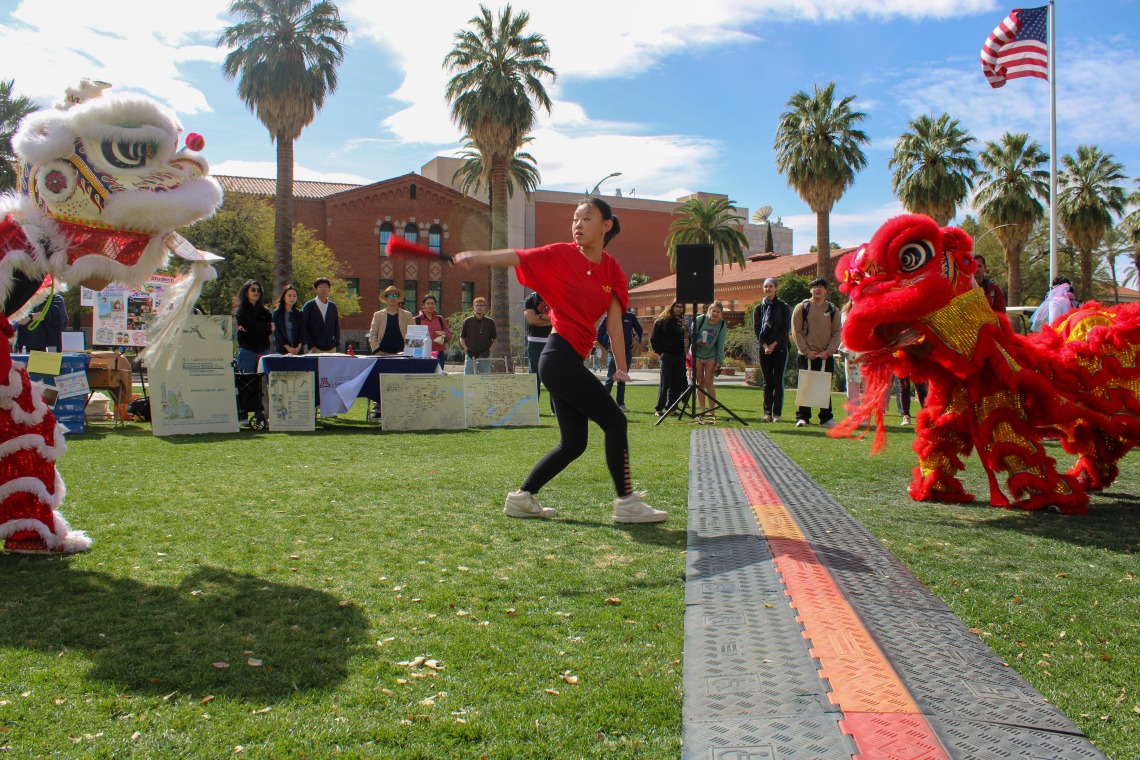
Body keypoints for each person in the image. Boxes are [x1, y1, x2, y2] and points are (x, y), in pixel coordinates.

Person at [453, 196, 667, 524]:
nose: (577, 224)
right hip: (557, 357)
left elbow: (614, 324)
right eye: (575, 218)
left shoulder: (612, 270)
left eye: (587, 218)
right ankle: (626, 502)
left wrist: (622, 367)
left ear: (606, 225)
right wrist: (477, 256)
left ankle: (522, 498)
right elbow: (516, 256)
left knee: (574, 443)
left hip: (569, 361)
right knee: (615, 422)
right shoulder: (560, 254)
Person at [791, 277, 842, 428]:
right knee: (806, 385)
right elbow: (796, 331)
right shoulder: (802, 307)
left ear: (826, 290)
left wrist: (829, 351)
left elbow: (837, 332)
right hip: (806, 355)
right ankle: (803, 417)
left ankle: (826, 418)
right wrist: (806, 351)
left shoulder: (833, 309)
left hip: (825, 355)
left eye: (820, 287)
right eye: (814, 287)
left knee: (824, 386)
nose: (817, 289)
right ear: (810, 290)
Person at [754, 278, 791, 422]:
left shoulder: (783, 307)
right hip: (764, 349)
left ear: (776, 288)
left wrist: (774, 345)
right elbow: (757, 329)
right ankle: (767, 412)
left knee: (778, 381)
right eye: (765, 287)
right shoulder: (759, 308)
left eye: (770, 286)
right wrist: (765, 346)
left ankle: (777, 414)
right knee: (767, 381)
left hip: (780, 348)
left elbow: (785, 329)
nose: (768, 289)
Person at [597, 306, 643, 412]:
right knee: (610, 379)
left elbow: (639, 330)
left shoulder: (630, 317)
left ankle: (620, 404)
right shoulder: (608, 317)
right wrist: (608, 347)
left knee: (622, 378)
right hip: (614, 353)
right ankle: (601, 403)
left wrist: (637, 339)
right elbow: (599, 335)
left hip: (626, 352)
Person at [650, 301, 688, 418]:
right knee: (665, 383)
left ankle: (671, 408)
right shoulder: (662, 321)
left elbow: (686, 339)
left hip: (679, 356)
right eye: (677, 306)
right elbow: (654, 339)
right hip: (667, 355)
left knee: (677, 383)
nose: (679, 309)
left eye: (681, 307)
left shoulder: (683, 322)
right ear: (672, 307)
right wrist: (660, 352)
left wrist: (688, 339)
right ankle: (659, 408)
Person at [692, 301, 728, 422]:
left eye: (718, 312)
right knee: (700, 382)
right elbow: (692, 337)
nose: (715, 313)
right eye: (713, 311)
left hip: (711, 355)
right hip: (698, 353)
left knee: (709, 381)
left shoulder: (722, 324)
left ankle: (711, 411)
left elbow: (720, 344)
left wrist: (719, 360)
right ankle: (702, 410)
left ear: (721, 313)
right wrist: (698, 342)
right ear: (709, 311)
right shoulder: (700, 320)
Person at [233, 279, 273, 374]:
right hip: (247, 351)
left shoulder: (265, 311)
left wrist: (258, 328)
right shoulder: (241, 310)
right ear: (246, 293)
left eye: (259, 290)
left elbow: (270, 330)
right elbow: (250, 327)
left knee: (265, 383)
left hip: (264, 350)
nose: (256, 292)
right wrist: (265, 326)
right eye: (253, 290)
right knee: (247, 382)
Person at [524, 289, 554, 409]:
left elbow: (562, 318)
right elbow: (531, 320)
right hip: (535, 342)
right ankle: (533, 408)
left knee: (554, 375)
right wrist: (552, 320)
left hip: (553, 341)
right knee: (534, 376)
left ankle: (555, 408)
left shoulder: (556, 296)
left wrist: (540, 316)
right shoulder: (531, 299)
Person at [367, 285, 414, 355]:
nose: (392, 298)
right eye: (389, 296)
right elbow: (373, 334)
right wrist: (377, 351)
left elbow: (413, 334)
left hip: (402, 355)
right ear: (386, 299)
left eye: (395, 296)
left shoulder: (408, 315)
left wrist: (409, 352)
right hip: (382, 354)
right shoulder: (378, 315)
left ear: (398, 298)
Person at [301, 277, 340, 353]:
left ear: (329, 289)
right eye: (320, 287)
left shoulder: (332, 306)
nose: (323, 289)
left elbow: (336, 326)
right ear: (315, 289)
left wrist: (336, 342)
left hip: (331, 348)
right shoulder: (309, 306)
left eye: (326, 287)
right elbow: (304, 327)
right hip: (314, 349)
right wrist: (311, 345)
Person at [460, 296, 496, 374]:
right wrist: (466, 348)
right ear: (473, 306)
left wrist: (490, 350)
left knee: (485, 379)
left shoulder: (490, 322)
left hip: (486, 354)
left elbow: (495, 339)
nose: (479, 307)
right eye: (477, 305)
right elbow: (462, 338)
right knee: (468, 378)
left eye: (481, 305)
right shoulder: (467, 321)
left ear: (485, 307)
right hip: (470, 354)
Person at [415, 294, 452, 369]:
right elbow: (412, 339)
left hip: (439, 354)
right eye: (428, 303)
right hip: (422, 354)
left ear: (435, 305)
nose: (430, 305)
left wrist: (444, 335)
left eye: (432, 303)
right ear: (423, 306)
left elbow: (449, 336)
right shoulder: (416, 320)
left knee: (438, 378)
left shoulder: (440, 319)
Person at [272, 284, 303, 355]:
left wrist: (298, 347)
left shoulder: (300, 313)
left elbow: (303, 331)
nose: (292, 298)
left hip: (297, 351)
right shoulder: (277, 313)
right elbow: (277, 333)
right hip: (282, 350)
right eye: (289, 296)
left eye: (294, 296)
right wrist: (288, 347)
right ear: (284, 297)